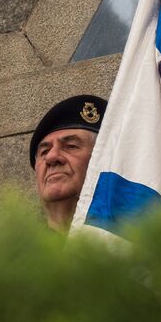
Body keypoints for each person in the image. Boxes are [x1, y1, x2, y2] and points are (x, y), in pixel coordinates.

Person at [30, 94, 107, 232]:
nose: (51, 157)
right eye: (44, 151)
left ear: (103, 158)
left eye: (71, 146)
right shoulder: (11, 252)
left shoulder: (139, 244)